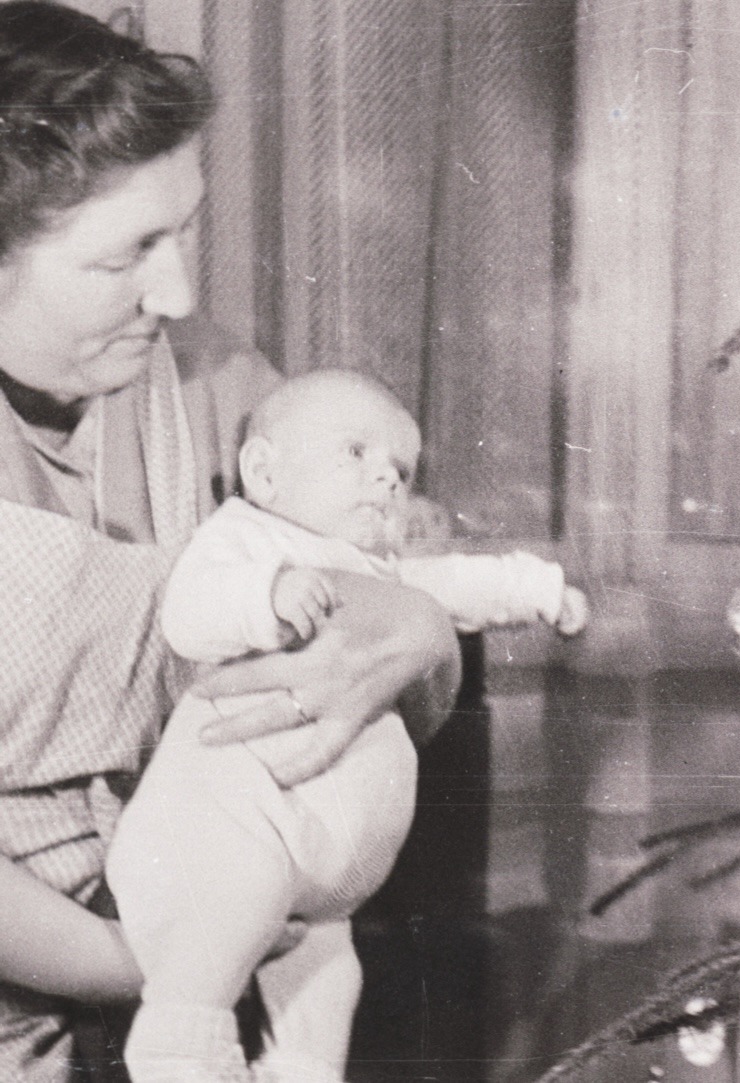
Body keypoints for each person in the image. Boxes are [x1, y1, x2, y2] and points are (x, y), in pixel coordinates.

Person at [0, 5, 462, 1079]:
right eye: (126, 257)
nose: (179, 294)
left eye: (186, 229)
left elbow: (370, 692)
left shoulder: (223, 394)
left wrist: (419, 626)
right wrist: (167, 962)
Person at [105, 370, 588, 1082]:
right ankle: (177, 1050)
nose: (386, 479)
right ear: (264, 472)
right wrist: (267, 594)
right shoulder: (250, 537)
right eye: (356, 453)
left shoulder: (379, 572)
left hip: (321, 886)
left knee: (330, 985)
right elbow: (190, 609)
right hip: (230, 825)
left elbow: (457, 584)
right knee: (230, 919)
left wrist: (537, 589)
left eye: (399, 469)